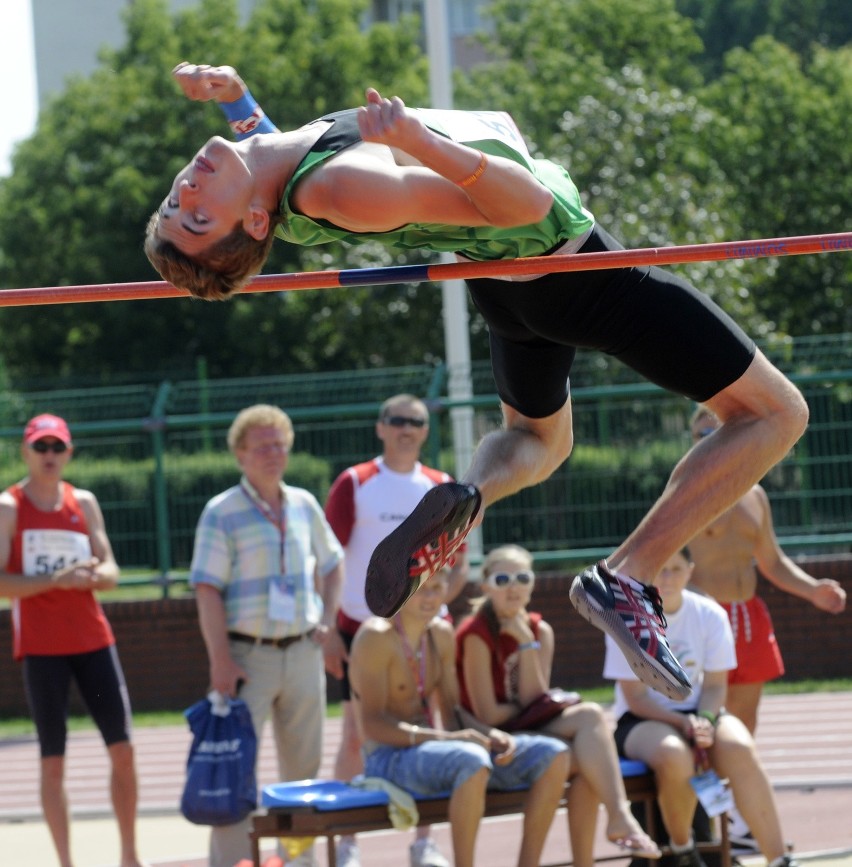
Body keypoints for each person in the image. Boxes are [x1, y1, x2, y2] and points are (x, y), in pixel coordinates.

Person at [146, 63, 809, 701]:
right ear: (256, 224)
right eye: (196, 218)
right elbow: (526, 204)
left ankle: (470, 492)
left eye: (177, 202)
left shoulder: (282, 169)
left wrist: (237, 101)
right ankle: (630, 575)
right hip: (568, 267)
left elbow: (266, 152)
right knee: (775, 414)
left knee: (538, 439)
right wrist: (417, 141)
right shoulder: (342, 186)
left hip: (505, 287)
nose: (188, 192)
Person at [189, 403, 345, 867]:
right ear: (240, 454)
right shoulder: (221, 511)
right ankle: (232, 863)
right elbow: (206, 587)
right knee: (233, 769)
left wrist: (328, 622)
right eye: (262, 446)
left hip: (301, 652)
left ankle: (298, 863)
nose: (273, 453)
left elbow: (333, 563)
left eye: (280, 444)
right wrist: (220, 658)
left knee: (303, 771)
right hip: (245, 656)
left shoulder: (303, 504)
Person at [685, 407, 846, 851]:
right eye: (702, 429)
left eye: (721, 429)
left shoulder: (755, 493)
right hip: (705, 619)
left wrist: (813, 589)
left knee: (745, 724)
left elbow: (771, 561)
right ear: (693, 438)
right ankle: (710, 824)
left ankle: (736, 820)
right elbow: (665, 559)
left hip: (749, 616)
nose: (712, 436)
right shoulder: (685, 489)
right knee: (708, 722)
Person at [323, 393, 468, 867]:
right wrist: (326, 629)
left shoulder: (442, 485)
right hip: (359, 630)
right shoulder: (355, 482)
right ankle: (346, 843)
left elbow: (458, 564)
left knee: (433, 728)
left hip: (426, 631)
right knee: (353, 736)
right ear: (380, 427)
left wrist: (430, 611)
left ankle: (425, 844)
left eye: (416, 421)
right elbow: (328, 560)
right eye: (397, 420)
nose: (406, 428)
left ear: (426, 431)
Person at [349, 565, 571, 867]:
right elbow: (373, 725)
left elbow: (453, 712)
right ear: (403, 589)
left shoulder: (441, 634)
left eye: (437, 589)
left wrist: (489, 735)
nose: (429, 598)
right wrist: (448, 738)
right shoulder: (375, 636)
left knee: (553, 754)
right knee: (469, 759)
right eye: (421, 589)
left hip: (436, 750)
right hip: (388, 758)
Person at [0, 414, 146, 867]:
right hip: (43, 650)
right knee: (53, 760)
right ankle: (66, 862)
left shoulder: (83, 501)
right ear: (25, 452)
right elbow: (2, 582)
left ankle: (128, 855)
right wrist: (54, 580)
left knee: (123, 749)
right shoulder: (8, 506)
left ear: (69, 453)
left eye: (57, 447)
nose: (49, 456)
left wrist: (95, 576)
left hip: (92, 642)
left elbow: (112, 571)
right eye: (40, 447)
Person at [456, 544, 660, 866]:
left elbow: (533, 700)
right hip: (494, 740)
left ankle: (591, 851)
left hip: (530, 729)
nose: (513, 587)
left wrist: (526, 640)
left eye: (522, 577)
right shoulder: (475, 634)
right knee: (586, 742)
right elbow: (490, 714)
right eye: (502, 578)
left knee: (588, 752)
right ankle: (617, 817)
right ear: (485, 587)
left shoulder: (540, 631)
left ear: (533, 583)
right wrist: (525, 656)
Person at [603, 547, 799, 867]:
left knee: (739, 746)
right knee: (674, 755)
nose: (666, 578)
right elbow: (636, 698)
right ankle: (685, 851)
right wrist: (681, 725)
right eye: (659, 569)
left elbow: (716, 685)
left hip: (700, 711)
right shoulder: (626, 619)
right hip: (643, 719)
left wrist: (705, 719)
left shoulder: (710, 614)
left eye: (675, 569)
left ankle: (778, 858)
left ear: (690, 571)